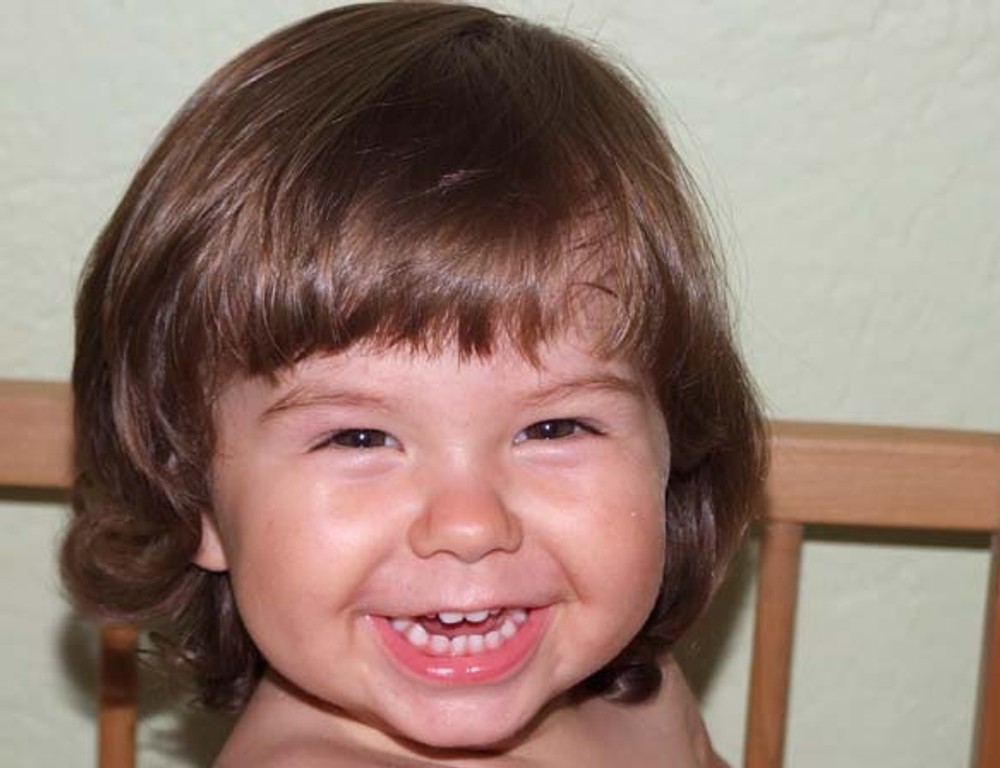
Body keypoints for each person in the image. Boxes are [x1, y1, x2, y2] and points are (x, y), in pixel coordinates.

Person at [61, 3, 765, 765]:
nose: (469, 525)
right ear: (191, 493)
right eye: (359, 437)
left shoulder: (638, 692)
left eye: (555, 428)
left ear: (672, 448)